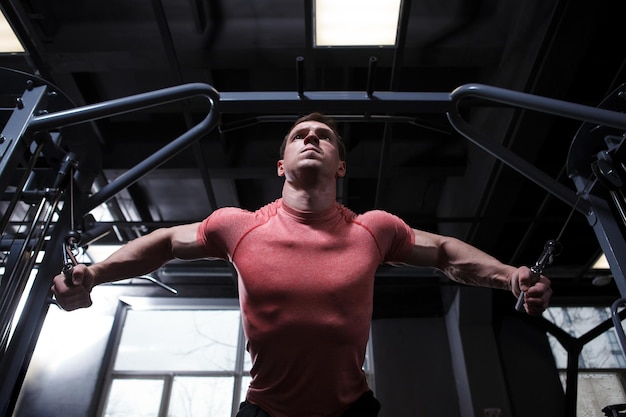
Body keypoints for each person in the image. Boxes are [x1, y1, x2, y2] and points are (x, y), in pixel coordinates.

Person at [51, 112, 552, 417]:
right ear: (281, 165)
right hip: (266, 413)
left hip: (351, 412)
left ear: (340, 166)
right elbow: (162, 242)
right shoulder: (237, 226)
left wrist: (509, 275)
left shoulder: (373, 230)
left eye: (324, 136)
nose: (311, 138)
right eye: (299, 136)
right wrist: (94, 273)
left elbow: (444, 253)